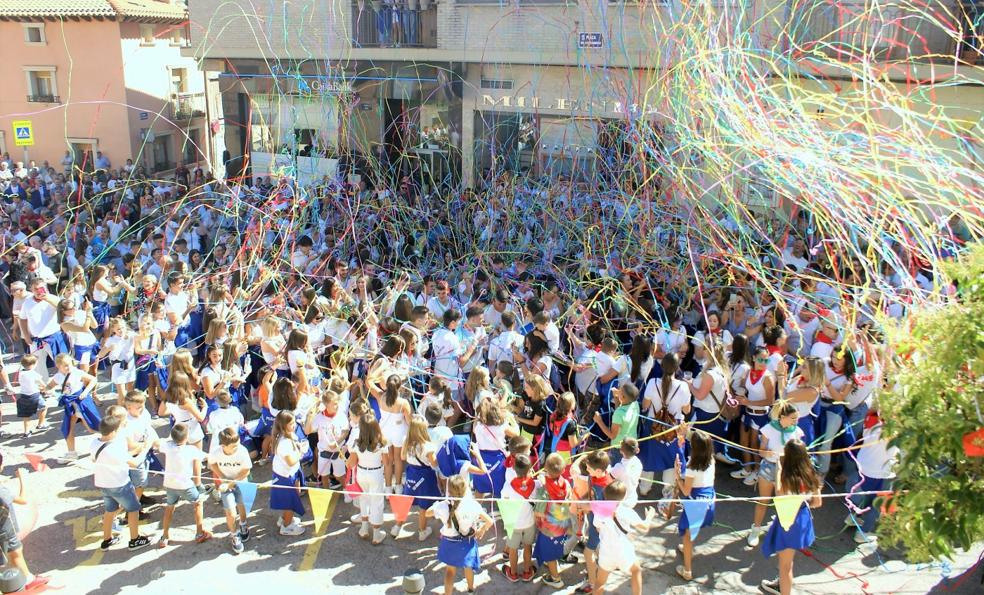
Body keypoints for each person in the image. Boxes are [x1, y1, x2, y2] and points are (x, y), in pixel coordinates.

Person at [760, 439, 822, 595]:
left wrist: (779, 468)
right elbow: (817, 502)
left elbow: (779, 495)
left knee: (786, 565)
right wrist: (802, 500)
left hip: (789, 519)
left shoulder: (787, 477)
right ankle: (780, 582)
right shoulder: (811, 474)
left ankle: (784, 589)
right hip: (801, 516)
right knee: (786, 559)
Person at [89, 414, 153, 551]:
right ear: (113, 432)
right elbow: (135, 463)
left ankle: (107, 540)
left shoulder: (94, 443)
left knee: (109, 510)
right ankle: (135, 539)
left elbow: (94, 460)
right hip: (120, 484)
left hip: (103, 483)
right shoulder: (115, 448)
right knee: (134, 509)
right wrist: (146, 448)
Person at [748, 401, 804, 547]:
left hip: (787, 470)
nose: (795, 421)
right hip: (768, 468)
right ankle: (756, 529)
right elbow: (761, 451)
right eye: (793, 418)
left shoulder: (796, 432)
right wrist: (767, 452)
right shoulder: (768, 429)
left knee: (783, 503)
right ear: (782, 417)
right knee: (763, 501)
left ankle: (780, 531)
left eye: (796, 418)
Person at [428, 474, 494, 595]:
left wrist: (437, 504)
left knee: (450, 571)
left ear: (449, 489)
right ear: (465, 489)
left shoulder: (444, 506)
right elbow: (490, 521)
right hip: (467, 542)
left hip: (449, 541)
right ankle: (470, 590)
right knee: (468, 567)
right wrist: (482, 530)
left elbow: (427, 513)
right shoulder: (473, 505)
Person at [591, 480, 658, 595]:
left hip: (606, 551)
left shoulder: (599, 511)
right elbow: (645, 527)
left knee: (600, 582)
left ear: (605, 494)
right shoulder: (626, 511)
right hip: (623, 550)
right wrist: (650, 516)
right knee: (636, 570)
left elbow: (597, 528)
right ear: (624, 496)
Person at [158, 423, 210, 547]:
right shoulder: (190, 450)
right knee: (198, 503)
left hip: (170, 484)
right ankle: (199, 533)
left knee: (169, 507)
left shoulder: (167, 446)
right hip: (185, 485)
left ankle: (164, 536)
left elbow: (159, 444)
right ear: (186, 438)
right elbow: (206, 457)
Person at [0, 458, 48, 589]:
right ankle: (28, 579)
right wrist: (23, 478)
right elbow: (23, 499)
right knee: (15, 551)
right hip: (3, 527)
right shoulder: (1, 491)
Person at [674, 430, 716, 582]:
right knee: (692, 532)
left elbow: (686, 490)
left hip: (696, 504)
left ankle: (687, 570)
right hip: (709, 500)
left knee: (688, 535)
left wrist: (678, 477)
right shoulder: (711, 460)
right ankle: (686, 550)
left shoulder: (692, 467)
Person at [45, 353, 100, 461]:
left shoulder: (77, 372)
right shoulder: (58, 376)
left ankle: (111, 440)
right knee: (67, 428)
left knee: (92, 427)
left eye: (70, 364)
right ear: (58, 366)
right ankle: (71, 453)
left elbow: (93, 380)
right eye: (65, 365)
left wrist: (86, 392)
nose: (68, 367)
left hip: (81, 402)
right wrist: (47, 390)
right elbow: (49, 386)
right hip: (69, 404)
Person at [208, 426, 253, 554]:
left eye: (237, 444)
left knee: (242, 505)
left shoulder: (242, 451)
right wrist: (222, 477)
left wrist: (230, 483)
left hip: (240, 482)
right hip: (226, 485)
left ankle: (243, 524)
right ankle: (234, 535)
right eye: (233, 446)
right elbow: (213, 463)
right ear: (223, 445)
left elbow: (246, 471)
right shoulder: (216, 453)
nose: (237, 447)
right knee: (231, 513)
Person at [394, 414, 440, 540]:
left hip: (411, 473)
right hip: (426, 476)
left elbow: (402, 457)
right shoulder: (428, 446)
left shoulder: (406, 441)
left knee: (406, 500)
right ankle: (422, 531)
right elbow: (434, 463)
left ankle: (397, 527)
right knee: (424, 505)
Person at [533, 453, 574, 589]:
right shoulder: (566, 484)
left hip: (548, 529)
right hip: (562, 526)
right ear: (563, 470)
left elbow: (538, 512)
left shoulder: (544, 490)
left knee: (549, 554)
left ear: (545, 468)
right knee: (555, 547)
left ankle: (556, 578)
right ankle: (551, 561)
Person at [347, 413, 388, 544]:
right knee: (377, 502)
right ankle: (376, 534)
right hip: (376, 474)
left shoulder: (357, 443)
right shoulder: (381, 443)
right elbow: (387, 463)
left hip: (361, 473)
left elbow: (351, 463)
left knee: (363, 499)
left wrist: (347, 461)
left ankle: (364, 528)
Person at [499, 453, 538, 582]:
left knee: (513, 550)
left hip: (513, 523)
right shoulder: (535, 485)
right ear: (530, 469)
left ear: (514, 469)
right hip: (529, 523)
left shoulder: (508, 486)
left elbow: (503, 501)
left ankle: (513, 573)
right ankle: (527, 572)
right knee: (528, 546)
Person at [269, 411, 306, 537]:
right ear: (283, 425)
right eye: (291, 423)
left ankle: (285, 518)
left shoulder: (290, 435)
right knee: (290, 501)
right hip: (285, 476)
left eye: (294, 422)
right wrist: (301, 453)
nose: (294, 425)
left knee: (295, 495)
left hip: (291, 473)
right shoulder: (283, 442)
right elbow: (290, 461)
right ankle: (286, 526)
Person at [306, 389, 349, 491]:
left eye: (337, 403)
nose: (337, 405)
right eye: (334, 404)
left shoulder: (341, 415)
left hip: (338, 452)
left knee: (339, 476)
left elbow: (346, 431)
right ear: (326, 405)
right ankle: (326, 492)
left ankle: (348, 490)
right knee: (324, 475)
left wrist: (337, 442)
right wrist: (310, 415)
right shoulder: (319, 417)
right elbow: (307, 431)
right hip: (323, 452)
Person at [14, 354, 47, 436]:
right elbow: (43, 384)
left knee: (26, 415)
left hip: (24, 396)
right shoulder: (34, 373)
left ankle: (26, 432)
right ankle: (41, 424)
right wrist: (46, 389)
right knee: (44, 407)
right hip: (34, 395)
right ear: (33, 365)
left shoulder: (21, 373)